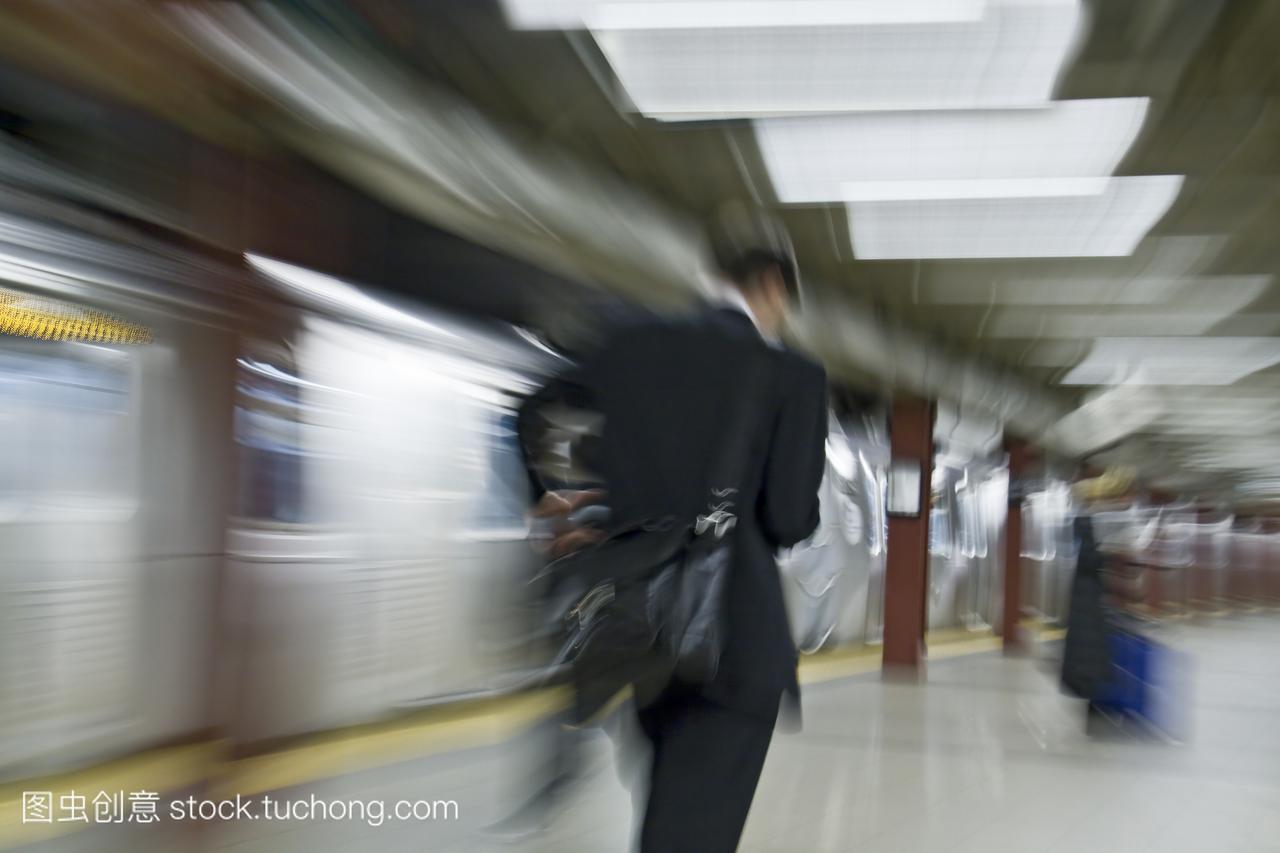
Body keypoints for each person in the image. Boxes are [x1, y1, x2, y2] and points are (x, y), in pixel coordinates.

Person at [515, 201, 828, 852]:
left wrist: (549, 499)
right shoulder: (792, 375)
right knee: (693, 829)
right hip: (733, 633)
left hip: (640, 627)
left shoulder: (630, 344)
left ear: (712, 272)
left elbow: (529, 410)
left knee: (671, 810)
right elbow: (789, 518)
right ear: (772, 285)